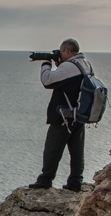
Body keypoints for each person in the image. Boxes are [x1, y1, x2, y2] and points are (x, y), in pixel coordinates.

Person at [28, 38, 90, 192]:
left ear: (67, 51)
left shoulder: (69, 66)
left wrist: (46, 63)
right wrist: (60, 64)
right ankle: (75, 182)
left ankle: (45, 180)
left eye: (62, 52)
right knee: (77, 151)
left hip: (63, 115)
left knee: (52, 148)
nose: (60, 55)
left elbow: (47, 81)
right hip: (79, 115)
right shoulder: (85, 65)